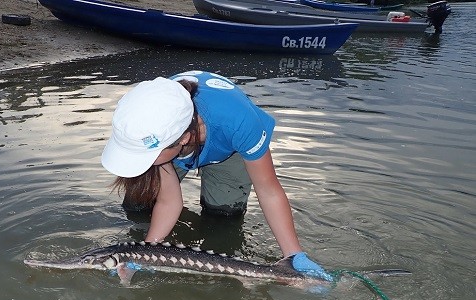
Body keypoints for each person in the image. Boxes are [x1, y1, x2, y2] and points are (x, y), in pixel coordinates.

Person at [101, 71, 330, 280]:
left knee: (223, 216)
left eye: (142, 156)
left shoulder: (240, 122)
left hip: (227, 147)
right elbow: (169, 201)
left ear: (182, 140)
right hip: (169, 145)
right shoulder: (147, 121)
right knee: (137, 206)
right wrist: (146, 252)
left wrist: (293, 256)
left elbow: (268, 191)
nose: (139, 165)